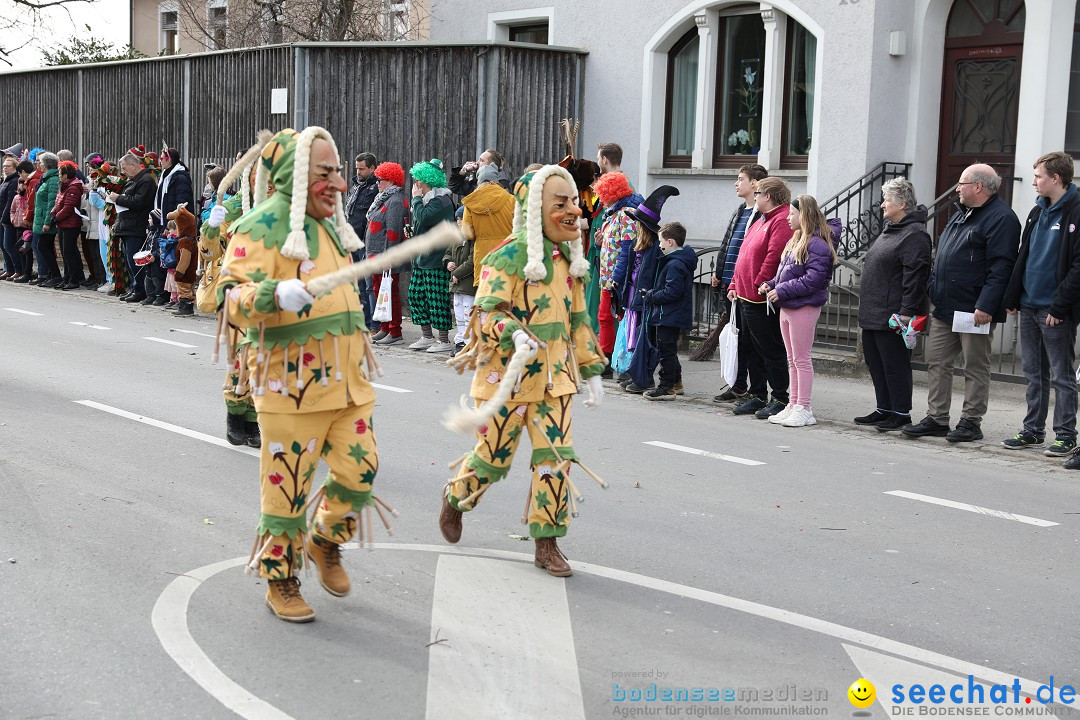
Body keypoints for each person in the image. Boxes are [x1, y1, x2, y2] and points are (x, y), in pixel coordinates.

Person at [218, 127, 385, 623]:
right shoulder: (260, 227)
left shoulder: (332, 224)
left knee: (361, 472)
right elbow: (227, 297)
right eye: (324, 173)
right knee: (286, 487)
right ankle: (280, 577)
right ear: (294, 177)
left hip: (348, 382)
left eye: (337, 172)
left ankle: (326, 540)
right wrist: (272, 295)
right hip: (290, 387)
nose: (336, 183)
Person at [440, 164, 607, 577]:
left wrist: (592, 370)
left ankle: (547, 544)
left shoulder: (571, 260)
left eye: (574, 202)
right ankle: (456, 498)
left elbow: (580, 320)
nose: (574, 210)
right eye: (562, 203)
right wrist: (511, 332)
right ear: (535, 210)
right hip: (508, 379)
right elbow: (486, 312)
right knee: (492, 459)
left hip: (556, 379)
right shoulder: (508, 257)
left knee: (555, 459)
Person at [902, 164, 1020, 443]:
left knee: (975, 366)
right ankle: (937, 418)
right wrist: (933, 286)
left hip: (974, 308)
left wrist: (987, 305)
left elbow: (1002, 267)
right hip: (945, 305)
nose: (956, 189)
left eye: (961, 184)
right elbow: (943, 255)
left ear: (978, 187)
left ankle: (971, 421)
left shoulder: (1001, 218)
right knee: (936, 361)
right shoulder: (962, 215)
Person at [1001, 152, 1080, 461]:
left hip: (1054, 310)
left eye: (1037, 176)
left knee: (1061, 375)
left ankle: (1065, 434)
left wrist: (1059, 307)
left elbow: (1077, 267)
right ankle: (1032, 429)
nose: (1033, 181)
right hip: (1029, 304)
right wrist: (1012, 296)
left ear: (1055, 178)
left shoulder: (1076, 211)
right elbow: (1025, 255)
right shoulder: (1036, 211)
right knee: (1034, 373)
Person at [854, 178, 931, 432]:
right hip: (874, 312)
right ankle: (884, 408)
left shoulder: (915, 234)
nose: (881, 205)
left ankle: (900, 413)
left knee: (894, 365)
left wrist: (907, 312)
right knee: (876, 364)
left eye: (887, 200)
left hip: (894, 315)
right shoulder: (891, 229)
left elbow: (915, 276)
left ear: (903, 203)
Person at [760, 195, 839, 427]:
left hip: (803, 306)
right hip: (788, 305)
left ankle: (804, 407)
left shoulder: (817, 244)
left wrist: (781, 290)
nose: (787, 218)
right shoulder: (796, 239)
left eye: (792, 214)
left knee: (801, 359)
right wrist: (772, 284)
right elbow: (787, 271)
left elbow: (813, 279)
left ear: (803, 215)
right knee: (792, 359)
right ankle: (793, 404)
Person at [727, 177, 795, 418]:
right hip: (745, 295)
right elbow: (744, 253)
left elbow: (775, 255)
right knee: (750, 347)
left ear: (768, 196)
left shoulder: (781, 220)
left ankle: (779, 396)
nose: (754, 197)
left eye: (757, 193)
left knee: (769, 348)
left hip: (760, 297)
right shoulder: (761, 220)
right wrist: (735, 282)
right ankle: (757, 394)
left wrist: (760, 284)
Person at [711, 164, 766, 403]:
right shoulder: (739, 211)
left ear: (755, 184)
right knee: (734, 336)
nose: (736, 183)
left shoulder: (760, 215)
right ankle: (737, 383)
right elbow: (728, 243)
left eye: (741, 178)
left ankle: (751, 387)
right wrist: (719, 272)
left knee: (747, 340)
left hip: (746, 287)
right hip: (730, 284)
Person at [622, 186, 680, 394]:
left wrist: (649, 296)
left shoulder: (657, 247)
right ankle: (667, 380)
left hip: (650, 299)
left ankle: (646, 378)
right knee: (640, 338)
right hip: (636, 296)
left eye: (637, 223)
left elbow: (656, 275)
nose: (635, 226)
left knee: (649, 341)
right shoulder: (638, 246)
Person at [592, 172, 643, 363]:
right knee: (604, 316)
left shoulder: (625, 215)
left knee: (620, 317)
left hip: (618, 278)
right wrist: (599, 244)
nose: (601, 200)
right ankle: (606, 356)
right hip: (608, 277)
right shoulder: (611, 214)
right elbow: (611, 245)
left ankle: (622, 358)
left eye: (603, 195)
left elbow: (628, 248)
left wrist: (619, 276)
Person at [641, 221, 695, 400]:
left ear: (670, 242)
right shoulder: (675, 262)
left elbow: (672, 292)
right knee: (669, 349)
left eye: (661, 242)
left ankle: (666, 387)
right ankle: (676, 382)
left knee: (665, 351)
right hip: (670, 314)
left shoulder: (675, 265)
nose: (660, 245)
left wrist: (651, 296)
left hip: (669, 314)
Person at [408, 158, 456, 353]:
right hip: (421, 258)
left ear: (424, 181)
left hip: (436, 259)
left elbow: (424, 217)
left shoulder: (442, 200)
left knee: (437, 299)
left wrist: (416, 199)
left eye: (417, 180)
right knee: (416, 295)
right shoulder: (429, 200)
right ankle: (427, 336)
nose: (414, 183)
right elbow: (421, 224)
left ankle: (443, 340)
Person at [365, 161, 410, 345]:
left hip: (385, 257)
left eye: (381, 180)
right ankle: (384, 328)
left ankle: (395, 331)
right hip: (376, 255)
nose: (377, 183)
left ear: (391, 181)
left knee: (390, 293)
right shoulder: (384, 198)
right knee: (379, 291)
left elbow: (393, 232)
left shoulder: (396, 201)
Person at [145, 146, 193, 305]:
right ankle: (169, 295)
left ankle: (180, 296)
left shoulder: (179, 176)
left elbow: (181, 201)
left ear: (169, 159)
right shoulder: (166, 175)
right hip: (164, 222)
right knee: (166, 260)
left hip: (174, 224)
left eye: (162, 158)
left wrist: (173, 223)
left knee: (176, 261)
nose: (160, 160)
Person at [110, 151, 157, 303]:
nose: (123, 172)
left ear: (134, 165)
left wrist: (119, 198)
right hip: (127, 225)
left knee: (136, 260)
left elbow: (138, 202)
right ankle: (134, 287)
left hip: (136, 226)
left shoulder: (145, 181)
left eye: (124, 168)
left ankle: (140, 290)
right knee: (129, 261)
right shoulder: (133, 180)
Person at [345, 152, 379, 326]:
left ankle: (372, 323)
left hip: (366, 242)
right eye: (357, 168)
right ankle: (361, 319)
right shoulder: (355, 186)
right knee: (356, 284)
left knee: (369, 286)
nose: (358, 172)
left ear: (372, 168)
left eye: (362, 169)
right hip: (352, 241)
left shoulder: (376, 188)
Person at [444, 205, 475, 353]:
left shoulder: (473, 238)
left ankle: (469, 343)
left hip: (467, 283)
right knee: (459, 314)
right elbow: (448, 252)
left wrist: (457, 273)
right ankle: (460, 341)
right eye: (457, 218)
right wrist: (448, 262)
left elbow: (472, 261)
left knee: (468, 313)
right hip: (457, 283)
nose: (458, 221)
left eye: (461, 218)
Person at [52, 161, 86, 290]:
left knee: (69, 253)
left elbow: (69, 207)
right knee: (65, 253)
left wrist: (56, 217)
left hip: (71, 224)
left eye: (60, 174)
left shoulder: (73, 187)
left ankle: (73, 279)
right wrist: (52, 213)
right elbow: (57, 202)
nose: (59, 176)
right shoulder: (64, 185)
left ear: (66, 175)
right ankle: (66, 278)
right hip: (63, 224)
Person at [33, 152, 62, 288]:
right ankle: (52, 274)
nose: (38, 164)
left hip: (47, 219)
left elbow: (52, 202)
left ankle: (55, 275)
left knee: (43, 245)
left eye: (40, 162)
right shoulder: (47, 178)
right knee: (46, 246)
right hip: (42, 217)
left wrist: (47, 222)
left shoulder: (53, 179)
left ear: (46, 164)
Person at [168, 203, 198, 315]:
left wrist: (179, 272)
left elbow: (185, 259)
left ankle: (185, 308)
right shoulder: (192, 239)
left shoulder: (185, 241)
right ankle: (187, 307)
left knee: (184, 290)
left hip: (185, 273)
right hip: (191, 272)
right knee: (189, 289)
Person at [0, 155, 20, 280]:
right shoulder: (5, 180)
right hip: (1, 217)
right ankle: (9, 269)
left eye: (8, 166)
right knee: (3, 245)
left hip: (7, 219)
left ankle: (17, 269)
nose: (5, 168)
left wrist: (5, 219)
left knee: (9, 245)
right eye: (4, 166)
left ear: (14, 168)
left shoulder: (14, 181)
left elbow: (9, 202)